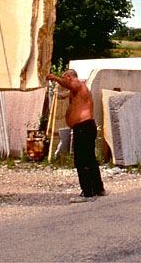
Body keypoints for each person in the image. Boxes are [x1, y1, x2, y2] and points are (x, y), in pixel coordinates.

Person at [46, 69, 106, 203]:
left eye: (64, 78)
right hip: (86, 127)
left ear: (69, 77)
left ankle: (87, 193)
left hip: (83, 127)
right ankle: (98, 188)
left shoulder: (77, 84)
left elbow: (71, 85)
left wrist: (55, 78)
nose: (63, 82)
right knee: (90, 159)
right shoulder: (80, 88)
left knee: (81, 160)